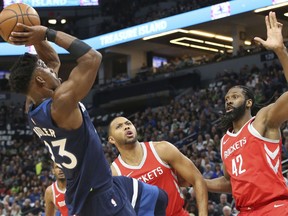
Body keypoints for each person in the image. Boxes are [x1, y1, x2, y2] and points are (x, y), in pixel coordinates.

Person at [8, 23, 168, 215]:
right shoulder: (61, 103)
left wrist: (36, 39)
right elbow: (92, 57)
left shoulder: (32, 110)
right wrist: (47, 33)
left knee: (160, 198)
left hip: (91, 187)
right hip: (98, 196)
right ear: (40, 81)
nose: (51, 69)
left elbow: (52, 62)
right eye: (44, 69)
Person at [205, 12, 288, 215]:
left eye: (234, 96)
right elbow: (230, 181)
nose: (229, 101)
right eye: (226, 99)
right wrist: (200, 181)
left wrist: (280, 50)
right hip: (244, 211)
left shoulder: (263, 120)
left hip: (273, 207)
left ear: (249, 102)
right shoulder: (225, 141)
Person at [108, 116, 208, 216]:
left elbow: (197, 179)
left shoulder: (162, 149)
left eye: (128, 123)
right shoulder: (114, 173)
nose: (126, 127)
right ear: (112, 139)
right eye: (119, 126)